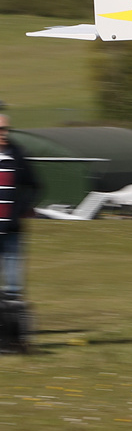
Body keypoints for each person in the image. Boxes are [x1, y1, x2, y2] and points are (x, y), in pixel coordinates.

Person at [0, 112, 39, 303]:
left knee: (13, 286)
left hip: (11, 230)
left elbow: (35, 186)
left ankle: (12, 325)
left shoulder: (18, 154)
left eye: (6, 129)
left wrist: (21, 208)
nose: (4, 133)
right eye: (0, 129)